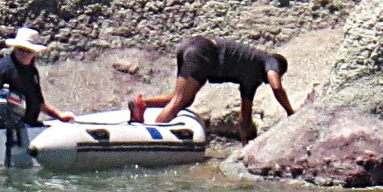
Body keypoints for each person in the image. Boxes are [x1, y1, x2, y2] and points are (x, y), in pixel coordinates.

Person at [126, 36, 295, 140]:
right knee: (180, 100)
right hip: (204, 52)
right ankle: (155, 134)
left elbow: (245, 117)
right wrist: (290, 112)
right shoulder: (270, 60)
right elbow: (276, 86)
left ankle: (142, 103)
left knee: (183, 97)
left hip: (192, 46)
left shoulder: (251, 78)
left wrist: (246, 146)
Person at [0, 27, 74, 131]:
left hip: (29, 126)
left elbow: (39, 102)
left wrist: (59, 115)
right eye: (20, 49)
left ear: (34, 52)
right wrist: (6, 104)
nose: (24, 54)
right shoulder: (3, 67)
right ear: (14, 48)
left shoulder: (32, 71)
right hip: (5, 128)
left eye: (28, 51)